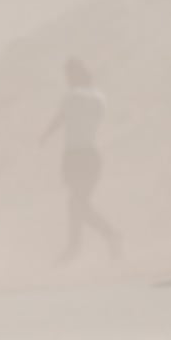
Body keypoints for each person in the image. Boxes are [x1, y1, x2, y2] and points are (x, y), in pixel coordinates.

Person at [41, 57, 122, 262]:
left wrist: (46, 135)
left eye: (68, 74)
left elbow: (61, 118)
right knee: (77, 204)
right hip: (90, 155)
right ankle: (77, 246)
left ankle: (104, 237)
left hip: (76, 156)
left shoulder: (72, 96)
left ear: (75, 74)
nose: (67, 79)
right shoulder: (99, 97)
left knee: (78, 204)